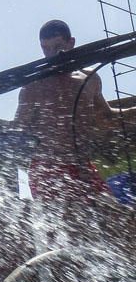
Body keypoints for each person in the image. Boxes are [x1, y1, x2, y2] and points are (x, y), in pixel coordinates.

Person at [15, 19, 136, 203]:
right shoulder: (33, 87)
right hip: (47, 169)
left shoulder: (90, 79)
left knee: (115, 214)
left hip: (82, 166)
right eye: (45, 49)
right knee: (70, 223)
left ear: (71, 43)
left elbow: (106, 118)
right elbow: (18, 130)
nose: (52, 54)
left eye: (57, 46)